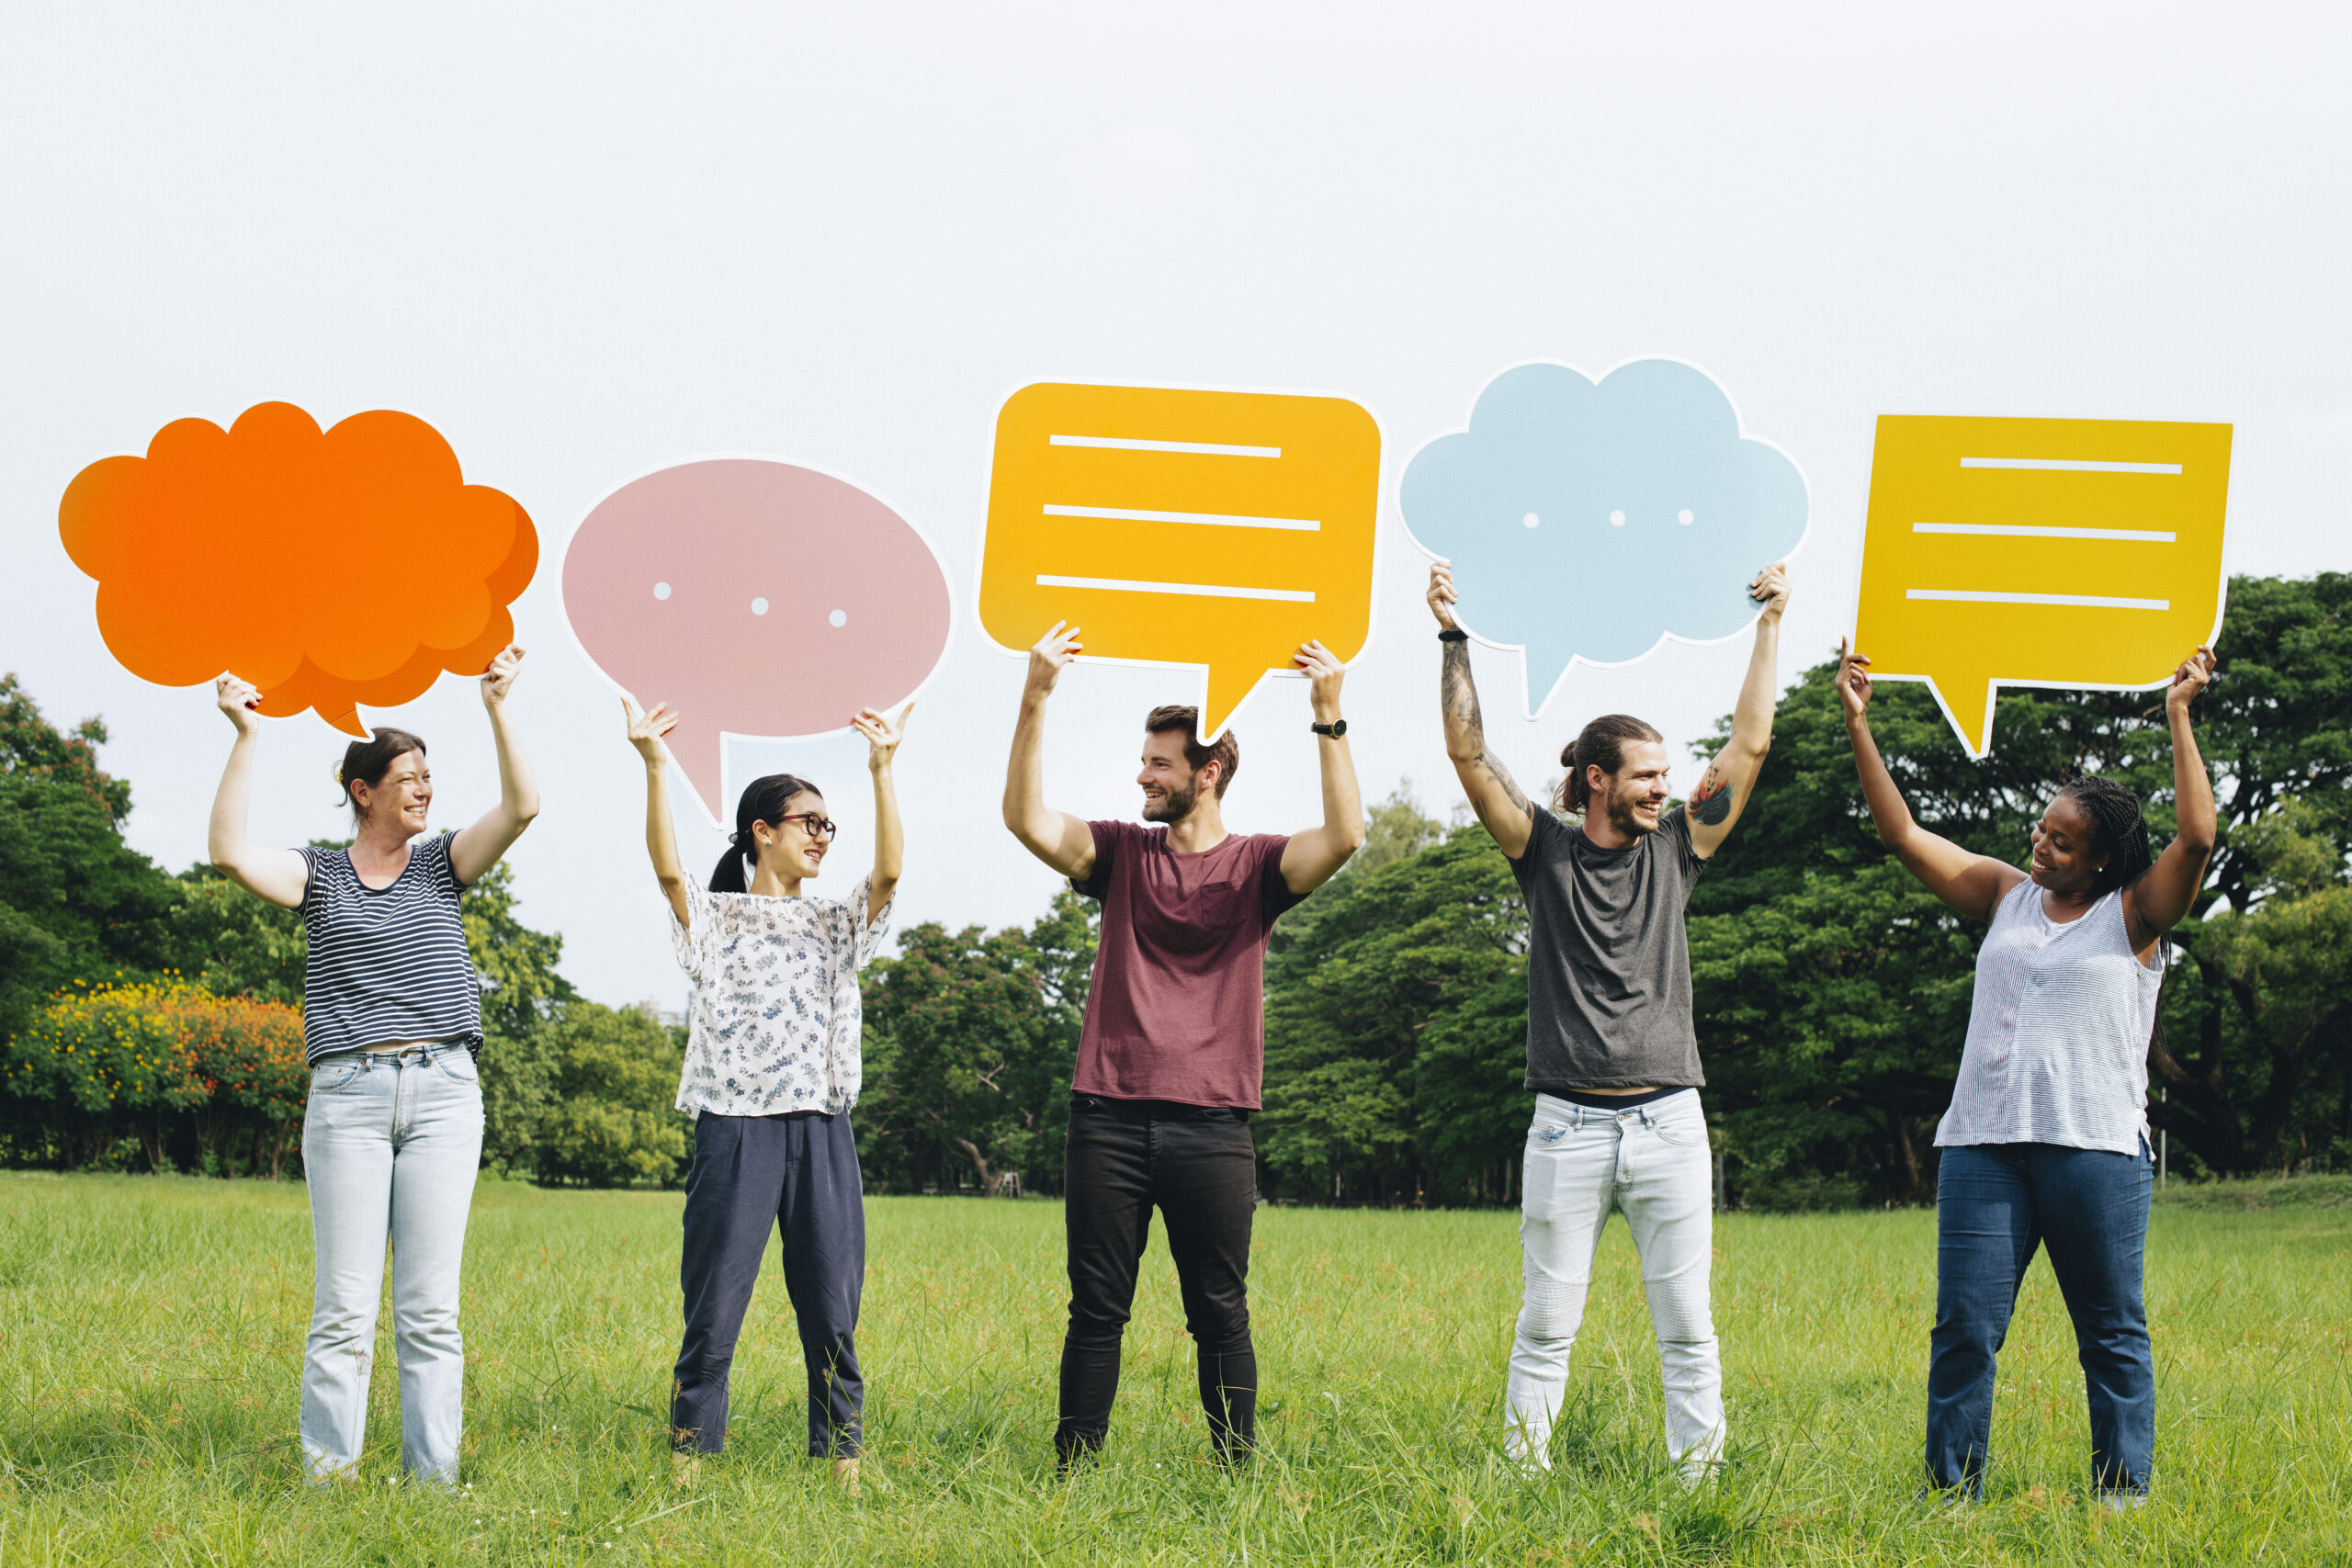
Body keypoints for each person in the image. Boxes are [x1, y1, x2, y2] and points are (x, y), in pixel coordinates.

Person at [1429, 558, 1789, 1483]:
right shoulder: (1541, 854)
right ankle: (1521, 1483)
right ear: (1595, 780)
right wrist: (1451, 636)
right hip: (1566, 1128)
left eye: (1667, 773)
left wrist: (1769, 627)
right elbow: (1470, 756)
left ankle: (1698, 1490)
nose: (1662, 788)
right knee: (1545, 1327)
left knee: (1688, 1330)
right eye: (1644, 775)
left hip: (1671, 1121)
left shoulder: (1678, 848)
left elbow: (1746, 749)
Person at [1836, 639, 2217, 1505]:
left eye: (2060, 841)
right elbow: (1902, 832)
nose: (2038, 844)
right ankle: (1952, 1496)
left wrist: (2179, 713)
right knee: (1964, 1330)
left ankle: (2121, 1498)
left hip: (2093, 1152)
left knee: (2111, 1332)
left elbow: (2197, 835)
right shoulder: (2006, 894)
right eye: (2040, 830)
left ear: (2102, 859)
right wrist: (1861, 724)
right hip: (1983, 1147)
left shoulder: (2136, 916)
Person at [1002, 621, 1363, 1468]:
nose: (1141, 775)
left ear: (1207, 773)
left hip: (1212, 1128)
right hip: (1109, 1120)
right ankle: (1073, 1473)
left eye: (1158, 763)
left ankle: (1235, 1472)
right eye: (1144, 760)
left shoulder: (1259, 867)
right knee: (1096, 1309)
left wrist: (1329, 715)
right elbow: (1023, 817)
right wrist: (1036, 696)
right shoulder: (1122, 854)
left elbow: (1345, 837)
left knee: (1219, 1312)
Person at [206, 647, 539, 1487]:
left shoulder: (443, 865)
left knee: (430, 1310)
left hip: (444, 1094)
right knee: (344, 1308)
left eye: (429, 775)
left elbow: (525, 805)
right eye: (410, 776)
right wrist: (245, 735)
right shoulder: (317, 873)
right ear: (364, 790)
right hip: (349, 1099)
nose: (426, 788)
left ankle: (434, 1484)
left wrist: (498, 704)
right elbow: (228, 854)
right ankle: (329, 1482)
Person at [629, 696, 909, 1495]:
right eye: (809, 821)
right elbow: (667, 866)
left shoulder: (834, 923)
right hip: (735, 1128)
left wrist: (883, 769)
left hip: (821, 1127)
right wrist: (655, 763)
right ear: (764, 830)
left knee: (831, 1302)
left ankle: (843, 1460)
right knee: (715, 1300)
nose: (823, 835)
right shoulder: (717, 919)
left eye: (829, 825)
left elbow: (888, 871)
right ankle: (690, 1451)